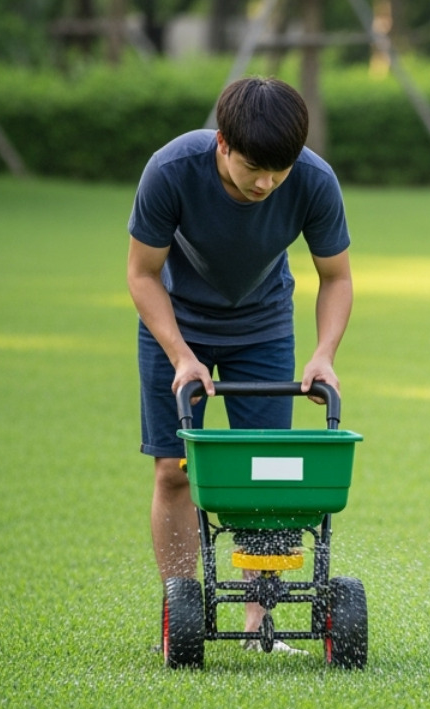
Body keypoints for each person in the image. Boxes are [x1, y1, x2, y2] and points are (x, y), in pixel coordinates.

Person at [126, 76, 352, 653]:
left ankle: (260, 625)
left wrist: (323, 354)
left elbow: (336, 277)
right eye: (254, 167)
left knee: (267, 471)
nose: (266, 183)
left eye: (279, 170)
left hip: (264, 325)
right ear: (223, 143)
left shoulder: (314, 180)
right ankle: (181, 613)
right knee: (174, 470)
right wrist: (181, 356)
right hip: (177, 324)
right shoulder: (172, 170)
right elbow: (142, 274)